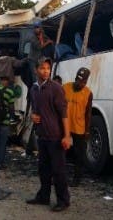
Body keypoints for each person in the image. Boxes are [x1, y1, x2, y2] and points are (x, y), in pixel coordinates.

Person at [26, 57, 71, 212]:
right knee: (43, 169)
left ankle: (63, 200)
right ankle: (43, 196)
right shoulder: (34, 89)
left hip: (56, 137)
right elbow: (35, 109)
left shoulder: (56, 88)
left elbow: (64, 114)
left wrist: (67, 136)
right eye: (42, 68)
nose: (45, 71)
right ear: (36, 70)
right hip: (42, 135)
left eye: (47, 68)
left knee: (58, 171)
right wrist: (33, 116)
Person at [63, 67, 92, 187]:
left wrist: (87, 130)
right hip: (65, 126)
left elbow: (88, 113)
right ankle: (59, 177)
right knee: (61, 153)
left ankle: (76, 179)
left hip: (80, 128)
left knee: (78, 155)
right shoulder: (65, 87)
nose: (80, 84)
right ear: (75, 78)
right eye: (79, 81)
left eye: (83, 82)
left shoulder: (88, 93)